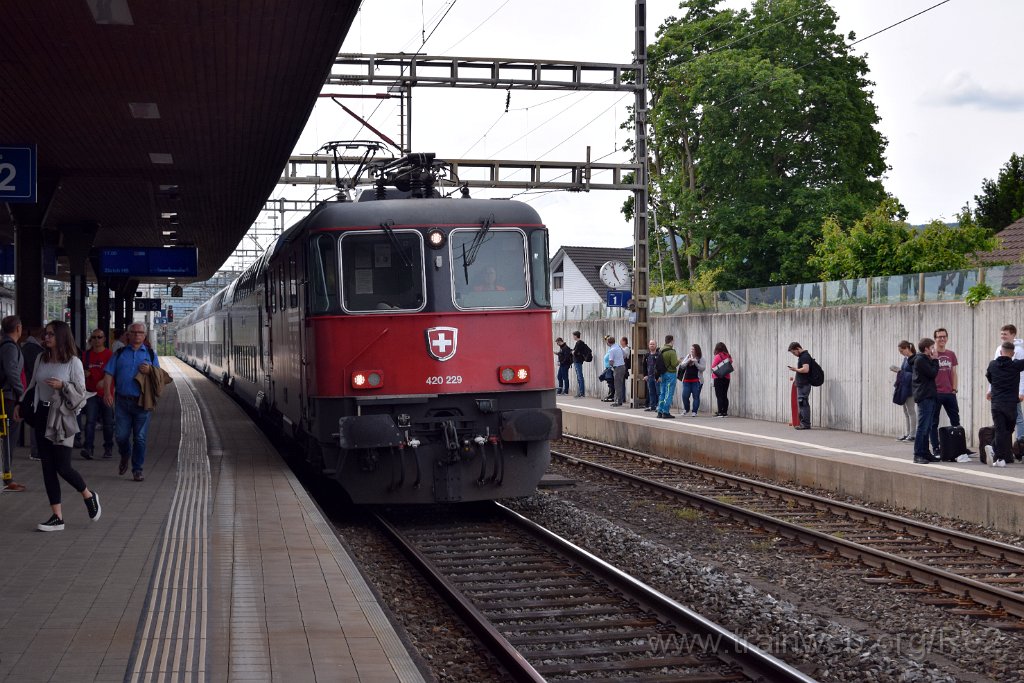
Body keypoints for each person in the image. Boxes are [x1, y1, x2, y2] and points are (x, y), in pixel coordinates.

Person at [14, 320, 100, 531]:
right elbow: (33, 384)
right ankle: (57, 517)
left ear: (61, 336)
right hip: (41, 414)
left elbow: (81, 393)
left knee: (62, 466)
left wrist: (63, 386)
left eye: (51, 334)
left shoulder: (73, 362)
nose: (46, 337)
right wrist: (20, 404)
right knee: (47, 467)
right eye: (46, 334)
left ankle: (89, 495)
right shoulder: (41, 359)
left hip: (62, 416)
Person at [101, 322, 160, 481]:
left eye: (140, 332)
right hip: (122, 402)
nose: (137, 335)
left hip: (142, 402)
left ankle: (137, 469)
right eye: (133, 332)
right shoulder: (119, 353)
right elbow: (108, 374)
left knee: (140, 438)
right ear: (128, 334)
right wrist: (107, 392)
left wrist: (150, 370)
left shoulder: (151, 354)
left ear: (145, 335)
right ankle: (125, 455)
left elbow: (159, 377)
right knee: (121, 436)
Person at [984, 341, 1024, 467]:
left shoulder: (992, 364)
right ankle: (998, 456)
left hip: (996, 403)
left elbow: (990, 378)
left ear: (1000, 352)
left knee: (1000, 430)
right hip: (1011, 404)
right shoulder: (1016, 365)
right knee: (1008, 430)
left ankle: (995, 451)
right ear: (1012, 354)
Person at [0, 315, 27, 491]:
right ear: (18, 328)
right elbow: (12, 372)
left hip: (8, 396)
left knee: (7, 436)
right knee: (8, 437)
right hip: (8, 398)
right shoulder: (9, 347)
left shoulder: (7, 345)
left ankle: (6, 475)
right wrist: (22, 393)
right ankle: (7, 477)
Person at [80, 328, 114, 460]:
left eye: (99, 337)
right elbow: (79, 371)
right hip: (90, 393)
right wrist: (84, 373)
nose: (96, 340)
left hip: (106, 393)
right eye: (94, 337)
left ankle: (108, 448)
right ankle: (88, 448)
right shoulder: (86, 355)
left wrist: (104, 382)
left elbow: (112, 373)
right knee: (90, 422)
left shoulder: (109, 355)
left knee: (108, 423)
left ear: (104, 339)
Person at [987, 324, 1024, 441]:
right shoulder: (999, 349)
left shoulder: (1018, 350)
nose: (1003, 336)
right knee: (1002, 421)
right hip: (999, 392)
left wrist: (1021, 391)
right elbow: (993, 372)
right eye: (1002, 334)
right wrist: (990, 390)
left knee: (1017, 418)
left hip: (1012, 392)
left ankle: (1019, 444)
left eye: (1005, 334)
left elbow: (1022, 373)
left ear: (1013, 335)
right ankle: (1005, 448)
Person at [932, 327, 963, 456]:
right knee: (933, 422)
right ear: (935, 339)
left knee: (956, 421)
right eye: (939, 337)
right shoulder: (931, 354)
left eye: (944, 336)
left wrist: (954, 389)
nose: (942, 339)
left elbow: (954, 373)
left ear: (947, 338)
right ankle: (936, 447)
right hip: (936, 393)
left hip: (950, 393)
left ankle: (959, 448)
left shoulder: (951, 354)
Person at [911, 337, 940, 464]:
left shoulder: (925, 359)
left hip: (929, 395)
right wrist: (935, 360)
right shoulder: (920, 360)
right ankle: (918, 454)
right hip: (924, 396)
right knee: (922, 427)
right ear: (926, 348)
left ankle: (926, 452)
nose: (934, 350)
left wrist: (933, 360)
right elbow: (932, 373)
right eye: (932, 347)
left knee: (927, 427)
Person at [21, 326, 44, 461]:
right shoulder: (35, 351)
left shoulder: (24, 348)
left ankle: (35, 450)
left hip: (27, 387)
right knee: (36, 420)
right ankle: (35, 451)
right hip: (32, 388)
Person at [890, 340, 917, 441]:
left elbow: (915, 375)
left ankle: (913, 434)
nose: (901, 353)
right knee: (906, 411)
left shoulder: (914, 359)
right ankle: (908, 433)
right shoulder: (906, 359)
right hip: (904, 387)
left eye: (902, 351)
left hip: (911, 388)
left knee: (911, 411)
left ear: (907, 348)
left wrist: (899, 370)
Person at [786, 342, 813, 430]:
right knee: (802, 403)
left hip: (804, 384)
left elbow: (805, 369)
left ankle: (805, 424)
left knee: (803, 403)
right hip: (802, 384)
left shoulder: (805, 356)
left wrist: (795, 369)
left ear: (798, 348)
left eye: (794, 352)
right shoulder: (803, 356)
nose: (794, 355)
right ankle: (803, 423)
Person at [678, 343, 706, 417]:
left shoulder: (701, 358)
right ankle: (686, 409)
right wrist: (688, 360)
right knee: (685, 396)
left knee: (696, 396)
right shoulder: (688, 356)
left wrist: (696, 362)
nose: (692, 351)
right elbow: (682, 365)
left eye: (693, 349)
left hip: (696, 381)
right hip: (687, 381)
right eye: (691, 349)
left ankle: (694, 411)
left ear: (697, 350)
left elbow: (702, 368)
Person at [657, 335, 679, 419]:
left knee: (662, 392)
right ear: (671, 341)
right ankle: (666, 412)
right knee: (669, 393)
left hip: (663, 374)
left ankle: (660, 410)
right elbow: (674, 364)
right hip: (671, 374)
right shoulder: (671, 352)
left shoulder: (661, 350)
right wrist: (679, 361)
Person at [711, 342, 732, 417]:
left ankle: (720, 412)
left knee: (719, 395)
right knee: (724, 395)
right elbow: (730, 363)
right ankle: (725, 412)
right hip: (727, 378)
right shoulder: (728, 356)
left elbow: (713, 367)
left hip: (718, 377)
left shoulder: (717, 356)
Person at [606, 335, 626, 406]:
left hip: (617, 368)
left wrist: (610, 366)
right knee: (620, 384)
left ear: (608, 342)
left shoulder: (611, 350)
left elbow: (611, 361)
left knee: (617, 385)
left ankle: (618, 401)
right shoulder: (618, 347)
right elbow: (625, 355)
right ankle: (619, 399)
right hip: (622, 366)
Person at [641, 339, 660, 412]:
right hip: (649, 376)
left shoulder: (659, 355)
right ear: (648, 346)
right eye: (650, 344)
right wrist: (645, 375)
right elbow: (644, 366)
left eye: (653, 344)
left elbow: (660, 366)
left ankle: (659, 406)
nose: (652, 345)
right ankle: (652, 406)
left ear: (656, 345)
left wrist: (659, 376)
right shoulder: (647, 355)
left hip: (657, 377)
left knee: (658, 392)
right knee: (651, 392)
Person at [571, 331, 589, 398]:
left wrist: (573, 352)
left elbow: (575, 352)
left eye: (573, 336)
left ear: (576, 336)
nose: (573, 337)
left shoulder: (579, 343)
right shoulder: (579, 343)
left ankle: (582, 393)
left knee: (580, 377)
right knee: (579, 377)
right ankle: (581, 392)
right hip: (578, 361)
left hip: (578, 361)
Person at [600, 336, 616, 401]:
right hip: (608, 367)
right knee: (609, 382)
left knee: (610, 382)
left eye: (607, 341)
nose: (606, 342)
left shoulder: (612, 349)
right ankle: (610, 394)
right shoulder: (610, 349)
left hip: (610, 368)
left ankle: (611, 395)